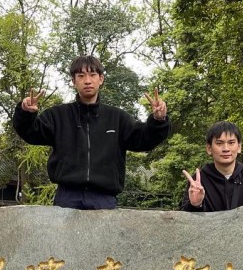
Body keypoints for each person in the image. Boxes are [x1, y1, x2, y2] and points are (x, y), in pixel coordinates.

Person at [13, 55, 171, 209]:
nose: (87, 81)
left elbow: (144, 139)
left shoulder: (117, 118)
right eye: (81, 76)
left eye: (92, 75)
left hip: (104, 198)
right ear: (73, 81)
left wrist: (158, 120)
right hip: (67, 197)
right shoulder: (58, 116)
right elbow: (31, 132)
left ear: (101, 79)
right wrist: (26, 113)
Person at [180, 121, 243, 212]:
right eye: (219, 143)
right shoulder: (198, 181)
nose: (226, 149)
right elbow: (185, 217)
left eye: (231, 143)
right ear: (209, 148)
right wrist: (196, 204)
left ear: (239, 147)